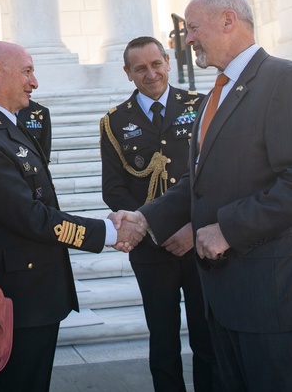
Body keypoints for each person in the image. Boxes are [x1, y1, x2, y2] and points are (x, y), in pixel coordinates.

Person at [112, 0, 292, 391]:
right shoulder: (217, 93)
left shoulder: (285, 80)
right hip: (229, 300)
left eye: (194, 28)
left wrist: (228, 228)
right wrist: (146, 219)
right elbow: (198, 183)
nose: (187, 39)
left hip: (275, 298)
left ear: (229, 21)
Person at [0, 41, 142, 392]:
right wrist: (108, 233)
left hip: (35, 289)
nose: (34, 82)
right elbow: (29, 215)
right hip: (18, 295)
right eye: (26, 71)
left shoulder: (6, 126)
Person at [100, 36, 214, 392]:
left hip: (200, 242)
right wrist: (157, 229)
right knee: (162, 338)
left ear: (168, 61)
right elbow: (113, 189)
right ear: (127, 73)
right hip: (152, 248)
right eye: (140, 69)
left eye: (156, 64)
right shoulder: (115, 122)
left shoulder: (202, 105)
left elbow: (216, 174)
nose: (151, 75)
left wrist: (191, 227)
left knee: (207, 335)